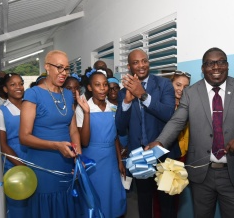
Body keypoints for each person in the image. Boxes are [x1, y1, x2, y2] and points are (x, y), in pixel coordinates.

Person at [146, 47, 234, 218]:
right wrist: (160, 142)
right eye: (210, 63)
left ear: (227, 65)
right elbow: (177, 121)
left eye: (221, 62)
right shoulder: (191, 93)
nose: (216, 67)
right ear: (203, 69)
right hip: (202, 175)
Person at [115, 48, 180, 218]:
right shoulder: (123, 92)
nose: (141, 65)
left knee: (167, 203)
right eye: (136, 62)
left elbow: (168, 115)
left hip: (164, 154)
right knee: (144, 201)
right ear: (130, 67)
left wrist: (142, 95)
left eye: (144, 60)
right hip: (139, 155)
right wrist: (127, 102)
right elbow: (120, 127)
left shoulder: (164, 84)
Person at [19, 50, 82, 218]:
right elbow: (24, 137)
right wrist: (55, 145)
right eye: (59, 68)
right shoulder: (33, 94)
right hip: (43, 166)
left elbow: (73, 129)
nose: (64, 73)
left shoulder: (68, 94)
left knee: (66, 205)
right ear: (47, 67)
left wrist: (79, 154)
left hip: (66, 163)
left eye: (66, 69)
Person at [75, 70, 126, 217]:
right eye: (97, 85)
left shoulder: (113, 107)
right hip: (93, 160)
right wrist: (86, 113)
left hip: (110, 158)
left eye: (105, 85)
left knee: (113, 195)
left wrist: (119, 161)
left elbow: (115, 136)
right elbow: (84, 141)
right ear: (90, 88)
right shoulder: (83, 108)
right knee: (96, 195)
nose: (103, 88)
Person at [0, 73, 28, 217]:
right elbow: (2, 145)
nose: (18, 87)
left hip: (34, 157)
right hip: (14, 161)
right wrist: (21, 165)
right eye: (13, 84)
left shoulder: (31, 106)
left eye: (21, 83)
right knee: (19, 206)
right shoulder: (1, 111)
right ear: (5, 89)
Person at [171, 70, 191, 161]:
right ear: (171, 84)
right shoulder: (163, 107)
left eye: (185, 87)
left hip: (187, 153)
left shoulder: (190, 106)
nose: (181, 89)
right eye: (178, 85)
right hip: (170, 153)